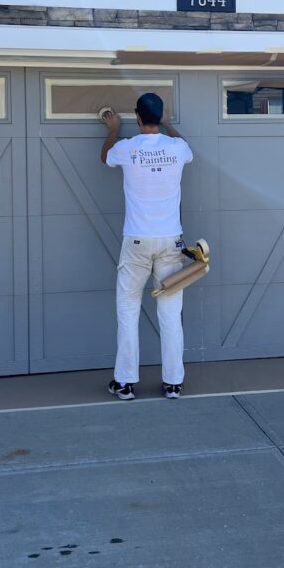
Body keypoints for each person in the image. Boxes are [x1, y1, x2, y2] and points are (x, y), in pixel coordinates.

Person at [100, 92, 193, 401]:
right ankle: (173, 383)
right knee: (170, 311)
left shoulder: (126, 149)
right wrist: (169, 125)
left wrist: (113, 129)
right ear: (160, 116)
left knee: (128, 308)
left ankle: (124, 382)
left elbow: (105, 157)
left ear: (138, 118)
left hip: (137, 241)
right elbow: (188, 150)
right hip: (171, 241)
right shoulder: (177, 147)